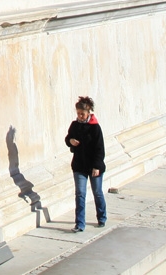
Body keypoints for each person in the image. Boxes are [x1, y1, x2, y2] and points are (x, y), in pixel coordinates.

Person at [65, 96, 107, 232]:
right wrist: (70, 141)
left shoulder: (95, 128)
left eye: (82, 114)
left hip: (94, 167)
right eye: (78, 113)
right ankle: (79, 223)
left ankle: (102, 217)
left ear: (88, 112)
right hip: (79, 166)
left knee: (97, 193)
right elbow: (68, 138)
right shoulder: (75, 125)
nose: (80, 116)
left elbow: (100, 149)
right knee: (80, 194)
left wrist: (96, 166)